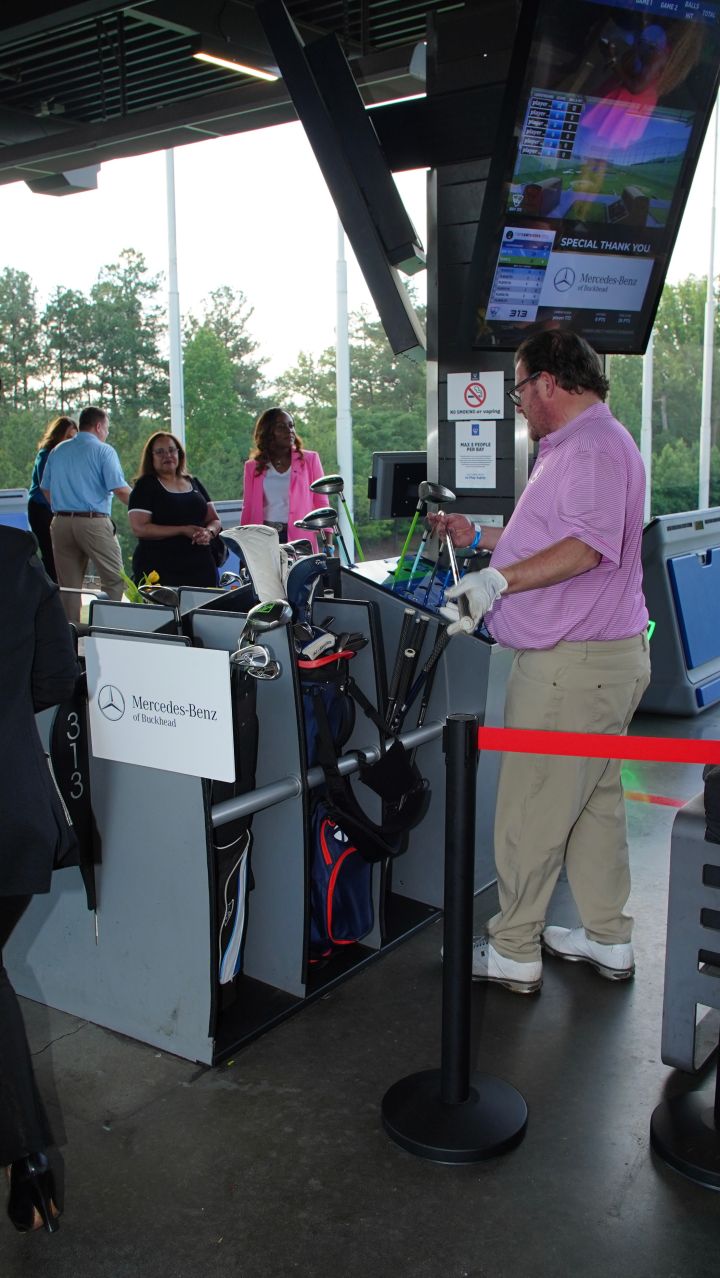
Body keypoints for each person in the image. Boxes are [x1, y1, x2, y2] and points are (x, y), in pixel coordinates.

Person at [440, 331, 651, 995]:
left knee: (532, 807)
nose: (519, 403)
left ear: (549, 385)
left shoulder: (590, 449)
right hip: (600, 662)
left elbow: (586, 549)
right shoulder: (581, 447)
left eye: (520, 388)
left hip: (570, 667)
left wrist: (497, 583)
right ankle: (607, 936)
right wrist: (482, 540)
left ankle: (513, 947)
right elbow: (556, 537)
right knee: (592, 804)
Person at [0, 525, 79, 1234]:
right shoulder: (18, 564)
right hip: (16, 813)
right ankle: (28, 1164)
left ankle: (26, 1153)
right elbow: (57, 675)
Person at [41, 406, 131, 625]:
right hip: (93, 521)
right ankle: (106, 629)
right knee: (115, 579)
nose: (107, 433)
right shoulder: (103, 450)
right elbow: (119, 489)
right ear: (99, 426)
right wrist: (146, 507)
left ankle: (69, 643)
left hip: (60, 521)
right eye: (107, 428)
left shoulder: (58, 450)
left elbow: (45, 488)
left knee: (69, 587)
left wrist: (63, 505)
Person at [128, 432, 223, 588]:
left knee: (206, 610)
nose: (167, 455)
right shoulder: (145, 485)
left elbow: (214, 520)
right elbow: (140, 528)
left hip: (201, 566)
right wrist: (182, 530)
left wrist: (209, 532)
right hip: (160, 567)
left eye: (172, 450)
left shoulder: (193, 482)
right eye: (160, 452)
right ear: (151, 457)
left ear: (179, 453)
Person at [240, 407, 325, 550]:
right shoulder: (252, 466)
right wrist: (243, 544)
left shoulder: (310, 460)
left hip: (301, 537)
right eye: (281, 427)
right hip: (263, 538)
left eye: (291, 426)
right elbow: (248, 507)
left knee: (300, 573)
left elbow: (322, 504)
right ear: (268, 432)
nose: (289, 430)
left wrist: (328, 542)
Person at [27, 416, 78, 582]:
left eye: (74, 438)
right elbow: (46, 486)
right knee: (50, 553)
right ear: (58, 436)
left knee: (61, 555)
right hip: (42, 508)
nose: (71, 442)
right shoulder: (47, 454)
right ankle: (49, 590)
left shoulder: (69, 458)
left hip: (58, 510)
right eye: (68, 437)